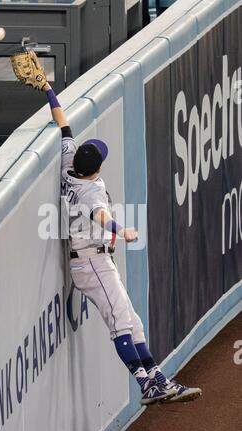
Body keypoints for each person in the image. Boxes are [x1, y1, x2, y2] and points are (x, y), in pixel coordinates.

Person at [42, 81, 202, 406]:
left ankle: (158, 379)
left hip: (93, 260)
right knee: (120, 323)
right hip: (91, 261)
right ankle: (145, 385)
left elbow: (64, 125)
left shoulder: (68, 164)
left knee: (132, 321)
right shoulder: (90, 191)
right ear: (97, 168)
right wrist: (121, 230)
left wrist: (47, 89)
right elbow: (99, 216)